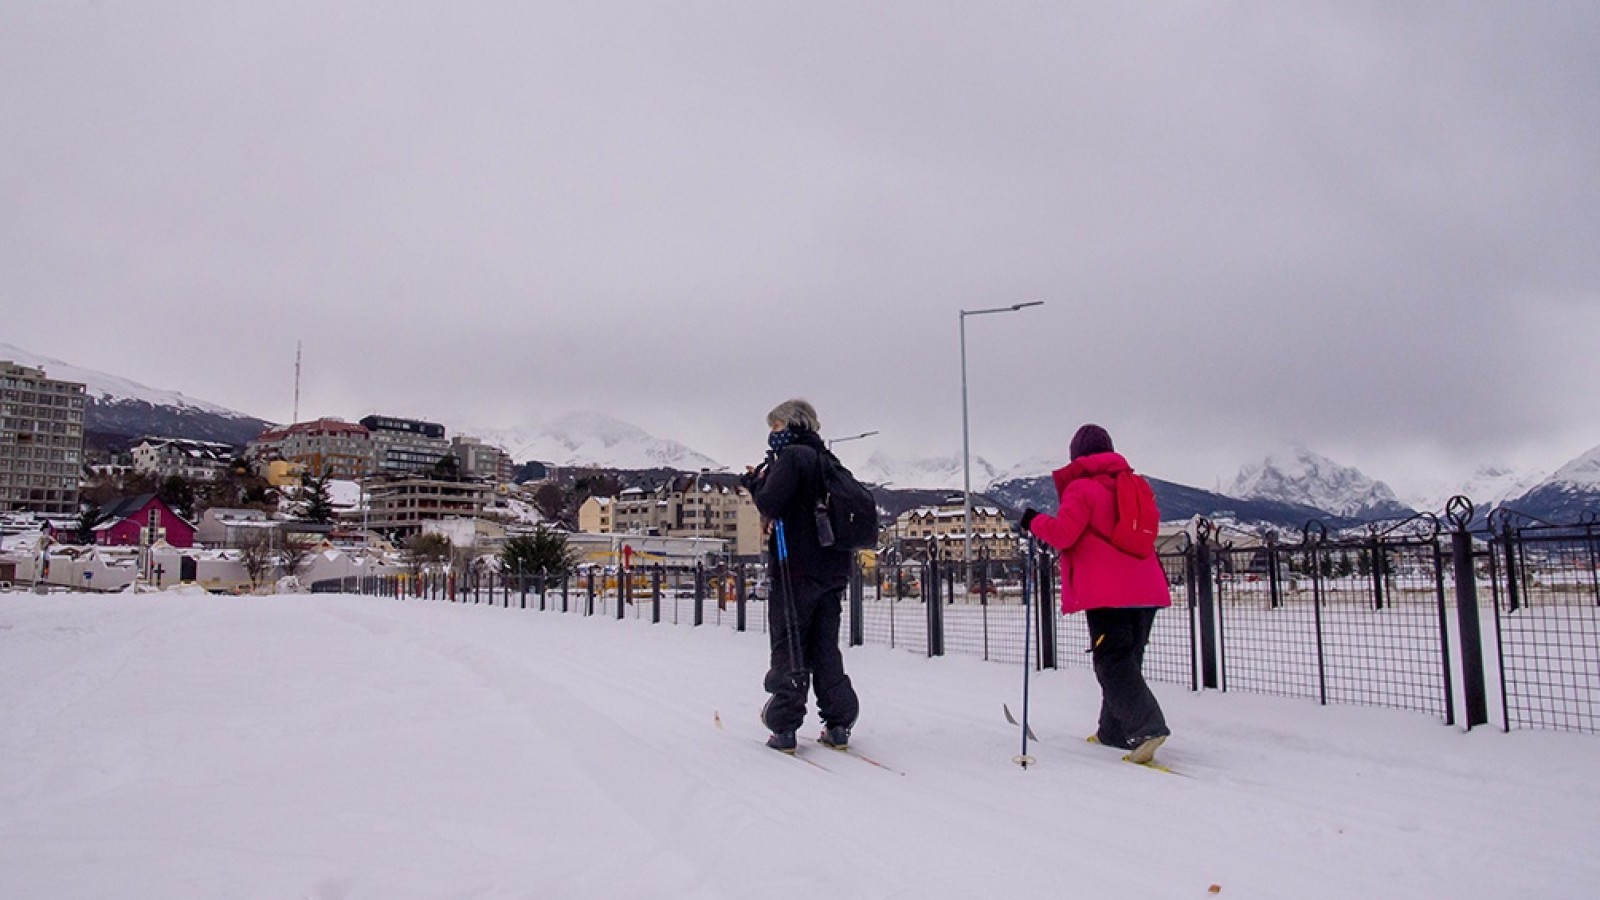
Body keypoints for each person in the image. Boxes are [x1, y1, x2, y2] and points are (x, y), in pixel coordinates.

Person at [1019, 423, 1172, 764]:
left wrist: (1033, 521)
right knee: (1126, 659)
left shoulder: (1082, 489)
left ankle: (1148, 726)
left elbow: (1064, 534)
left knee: (1111, 661)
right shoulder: (1134, 485)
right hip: (1147, 588)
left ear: (1077, 456)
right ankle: (1114, 731)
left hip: (1108, 591)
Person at [739, 399, 859, 753]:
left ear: (792, 426)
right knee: (825, 647)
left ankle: (784, 725)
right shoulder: (828, 461)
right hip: (833, 570)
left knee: (789, 644)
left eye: (776, 427)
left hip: (796, 570)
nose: (772, 435)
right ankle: (839, 722)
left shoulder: (792, 458)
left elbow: (771, 504)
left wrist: (753, 484)